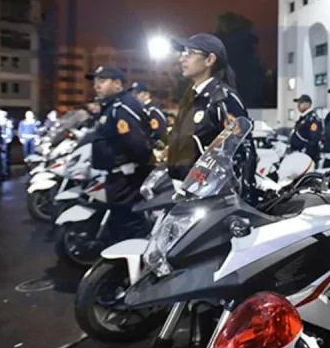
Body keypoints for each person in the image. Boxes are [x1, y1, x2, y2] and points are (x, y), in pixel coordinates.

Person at [166, 33, 252, 186]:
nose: (182, 59)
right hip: (183, 188)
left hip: (208, 192)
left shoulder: (223, 99)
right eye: (183, 53)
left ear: (210, 60)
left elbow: (241, 151)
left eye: (190, 53)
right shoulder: (193, 98)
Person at [88, 66, 154, 242]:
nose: (96, 86)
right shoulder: (112, 106)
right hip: (118, 177)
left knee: (130, 227)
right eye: (95, 82)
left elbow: (137, 143)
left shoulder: (122, 106)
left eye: (102, 81)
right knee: (120, 224)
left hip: (127, 179)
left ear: (117, 84)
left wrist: (141, 169)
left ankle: (135, 258)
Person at [289, 94, 322, 165]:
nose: (298, 105)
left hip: (306, 157)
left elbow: (313, 139)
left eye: (301, 103)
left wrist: (306, 153)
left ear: (308, 104)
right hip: (298, 154)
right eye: (298, 103)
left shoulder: (312, 119)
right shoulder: (303, 118)